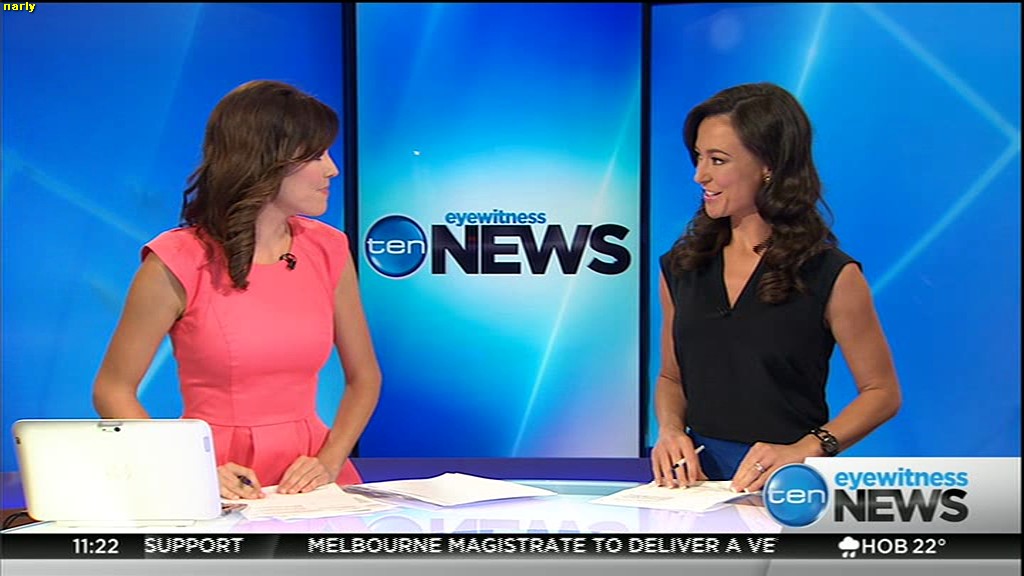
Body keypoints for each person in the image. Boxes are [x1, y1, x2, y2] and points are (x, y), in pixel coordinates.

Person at [92, 80, 381, 500]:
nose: (332, 169)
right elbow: (112, 389)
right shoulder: (176, 260)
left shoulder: (329, 248)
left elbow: (365, 377)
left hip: (312, 476)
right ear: (265, 159)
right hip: (216, 474)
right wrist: (187, 468)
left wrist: (330, 461)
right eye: (316, 155)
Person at [650, 82, 901, 493]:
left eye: (718, 160)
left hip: (788, 486)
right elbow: (670, 378)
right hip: (696, 487)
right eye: (698, 157)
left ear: (769, 165)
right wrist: (671, 431)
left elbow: (882, 393)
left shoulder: (830, 274)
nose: (700, 175)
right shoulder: (682, 267)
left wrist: (807, 448)